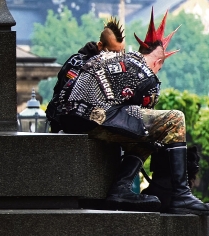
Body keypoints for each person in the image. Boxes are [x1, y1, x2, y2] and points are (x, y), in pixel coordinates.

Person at [54, 8, 209, 215]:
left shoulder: (116, 59)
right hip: (96, 116)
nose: (158, 72)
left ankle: (120, 189)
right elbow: (145, 115)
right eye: (159, 68)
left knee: (145, 136)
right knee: (174, 119)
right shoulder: (147, 75)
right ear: (158, 62)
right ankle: (181, 195)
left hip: (71, 118)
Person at [46, 17, 125, 133]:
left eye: (121, 52)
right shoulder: (76, 63)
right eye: (113, 52)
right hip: (65, 124)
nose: (117, 57)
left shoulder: (118, 69)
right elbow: (61, 92)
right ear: (100, 46)